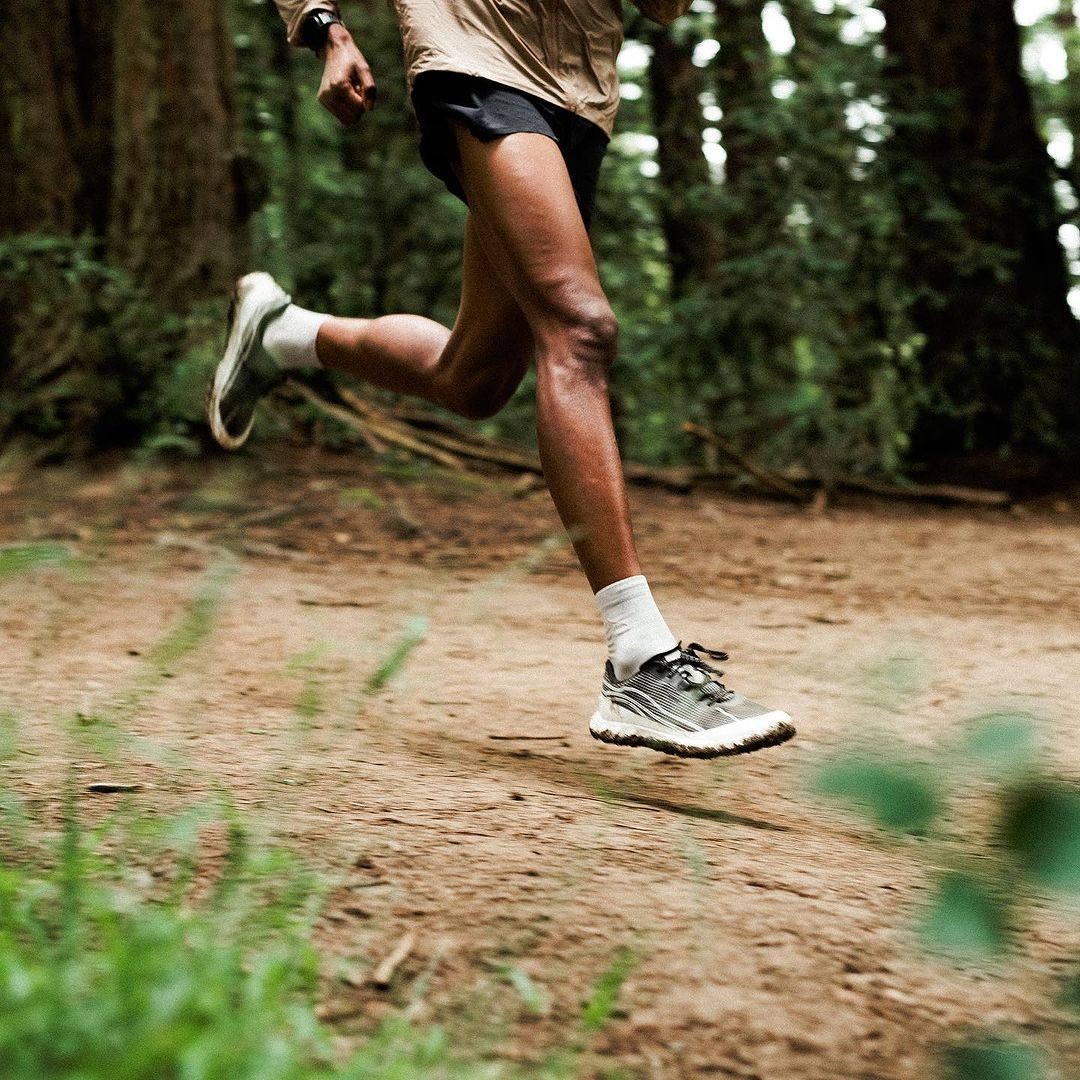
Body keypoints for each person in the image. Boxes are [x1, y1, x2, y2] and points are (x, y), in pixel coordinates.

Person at [208, 0, 795, 758]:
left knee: (474, 377)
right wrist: (326, 28)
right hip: (474, 55)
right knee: (580, 328)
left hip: (579, 89)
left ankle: (285, 334)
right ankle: (639, 658)